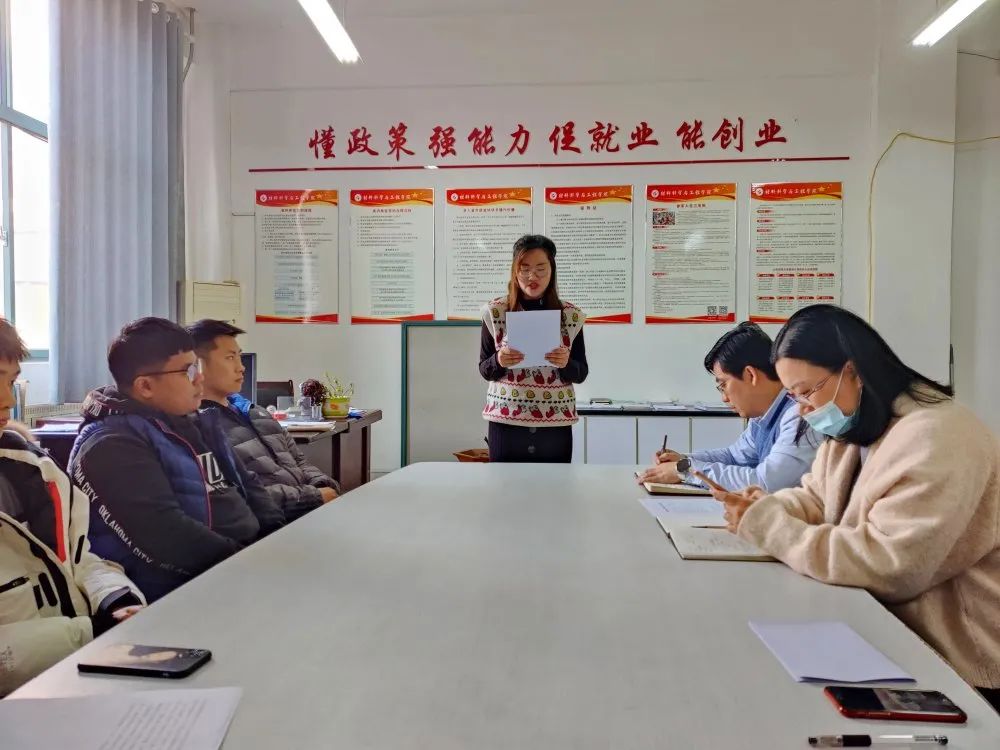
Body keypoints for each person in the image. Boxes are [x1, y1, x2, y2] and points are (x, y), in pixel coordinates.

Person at [710, 305, 1000, 711]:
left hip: (961, 664)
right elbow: (816, 498)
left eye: (806, 392)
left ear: (852, 370)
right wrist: (764, 506)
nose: (802, 410)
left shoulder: (938, 437)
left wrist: (771, 527)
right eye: (793, 397)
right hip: (888, 634)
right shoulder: (858, 424)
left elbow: (891, 566)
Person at [69, 317, 285, 603]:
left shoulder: (192, 421)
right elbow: (167, 536)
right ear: (145, 386)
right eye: (187, 371)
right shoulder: (109, 445)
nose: (199, 378)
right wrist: (250, 566)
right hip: (180, 592)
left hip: (236, 569)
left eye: (197, 367)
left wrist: (279, 541)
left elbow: (248, 484)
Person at [0, 318, 145, 696]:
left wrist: (116, 598)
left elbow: (76, 557)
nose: (8, 401)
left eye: (11, 382)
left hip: (72, 677)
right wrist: (89, 633)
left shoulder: (29, 469)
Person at [188, 319, 339, 521]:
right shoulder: (199, 428)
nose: (241, 367)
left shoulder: (256, 412)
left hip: (308, 514)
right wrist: (313, 497)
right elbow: (238, 495)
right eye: (230, 358)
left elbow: (299, 461)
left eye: (239, 357)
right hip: (273, 525)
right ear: (196, 366)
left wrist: (323, 485)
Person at [638, 322, 817, 492]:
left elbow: (766, 482)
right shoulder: (762, 414)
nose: (723, 398)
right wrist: (684, 460)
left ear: (750, 375)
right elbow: (734, 457)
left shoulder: (798, 414)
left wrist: (684, 470)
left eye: (723, 385)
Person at [479, 234, 588, 462]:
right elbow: (484, 369)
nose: (532, 276)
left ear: (552, 270)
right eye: (525, 269)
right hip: (506, 423)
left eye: (541, 269)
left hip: (554, 425)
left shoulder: (571, 316)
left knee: (554, 484)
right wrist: (499, 360)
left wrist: (566, 363)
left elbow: (581, 373)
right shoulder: (495, 312)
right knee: (504, 483)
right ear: (514, 271)